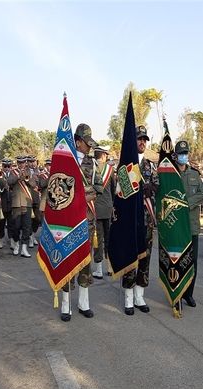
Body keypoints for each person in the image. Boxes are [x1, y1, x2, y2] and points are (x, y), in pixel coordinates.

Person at [60, 124, 102, 321]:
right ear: (77, 142)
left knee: (85, 262)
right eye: (87, 144)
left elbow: (99, 187)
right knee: (68, 261)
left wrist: (84, 196)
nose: (89, 148)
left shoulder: (92, 164)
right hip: (68, 221)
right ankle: (66, 304)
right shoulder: (64, 162)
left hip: (86, 219)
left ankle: (83, 303)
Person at [123, 126, 158, 315]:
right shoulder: (126, 165)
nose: (142, 142)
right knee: (131, 258)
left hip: (146, 221)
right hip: (131, 220)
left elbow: (157, 186)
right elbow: (120, 191)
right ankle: (128, 297)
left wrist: (151, 187)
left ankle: (139, 296)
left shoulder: (150, 166)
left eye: (145, 139)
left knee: (145, 258)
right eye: (139, 139)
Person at [175, 140, 203, 307]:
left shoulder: (194, 174)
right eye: (181, 154)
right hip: (177, 227)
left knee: (192, 262)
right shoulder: (170, 174)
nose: (184, 156)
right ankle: (177, 294)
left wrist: (187, 202)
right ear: (175, 155)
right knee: (178, 261)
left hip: (192, 226)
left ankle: (189, 294)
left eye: (185, 153)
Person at [91, 146, 116, 279]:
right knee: (109, 239)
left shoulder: (92, 168)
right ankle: (110, 267)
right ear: (104, 155)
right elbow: (113, 189)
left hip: (95, 209)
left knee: (98, 239)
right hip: (108, 208)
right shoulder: (110, 170)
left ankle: (99, 269)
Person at [8, 156, 35, 257]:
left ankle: (24, 248)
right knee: (16, 226)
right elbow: (9, 182)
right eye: (19, 163)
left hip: (27, 203)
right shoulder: (13, 172)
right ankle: (16, 244)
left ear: (25, 163)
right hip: (16, 203)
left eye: (23, 163)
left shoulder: (30, 172)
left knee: (27, 226)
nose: (21, 164)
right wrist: (18, 176)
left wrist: (27, 179)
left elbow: (34, 184)